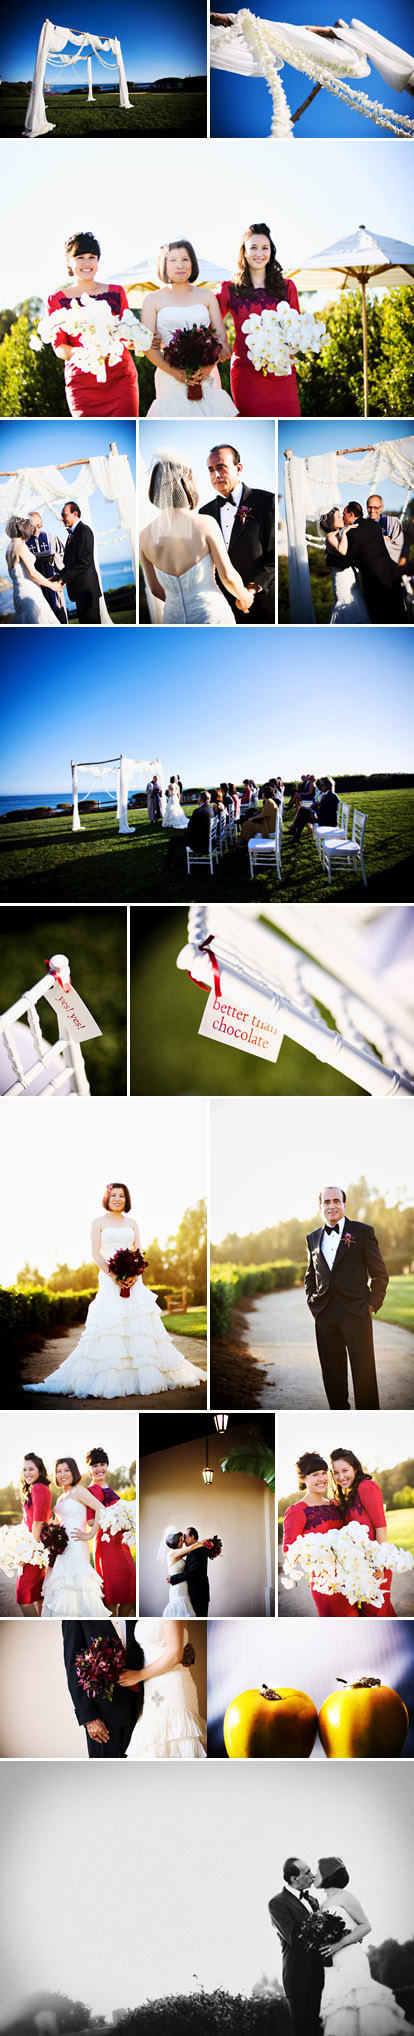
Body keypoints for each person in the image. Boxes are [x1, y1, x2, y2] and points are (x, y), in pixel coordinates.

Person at [24, 1183, 205, 1400]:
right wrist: (113, 1275)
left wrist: (134, 1275)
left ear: (127, 1200)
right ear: (107, 1198)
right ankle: (112, 1376)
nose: (117, 1199)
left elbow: (138, 1251)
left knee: (138, 1323)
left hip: (134, 1279)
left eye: (122, 1195)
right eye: (114, 1195)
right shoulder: (98, 1223)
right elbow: (94, 1252)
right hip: (109, 1278)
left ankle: (143, 1372)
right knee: (112, 1321)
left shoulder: (133, 1223)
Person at [304, 1183, 389, 1409]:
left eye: (336, 1201)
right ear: (320, 1206)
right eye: (326, 1202)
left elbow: (380, 1274)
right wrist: (314, 1306)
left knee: (364, 1376)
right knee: (332, 1376)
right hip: (325, 1316)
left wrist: (371, 1304)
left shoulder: (362, 1232)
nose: (331, 1206)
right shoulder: (312, 1238)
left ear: (344, 1204)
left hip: (357, 1314)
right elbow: (310, 1276)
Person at [140, 453, 250, 623]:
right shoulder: (204, 523)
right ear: (187, 485)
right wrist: (245, 598)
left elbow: (155, 589)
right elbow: (227, 576)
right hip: (211, 615)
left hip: (172, 619)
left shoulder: (145, 535)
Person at [314, 1856, 414, 2035]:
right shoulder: (322, 1905)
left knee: (361, 2003)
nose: (314, 1875)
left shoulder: (345, 1896)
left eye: (317, 1871)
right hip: (332, 1964)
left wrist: (341, 1943)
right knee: (340, 2006)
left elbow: (366, 1926)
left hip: (350, 1957)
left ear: (327, 1874)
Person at [47, 230, 139, 417]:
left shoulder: (117, 292)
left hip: (120, 377)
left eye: (92, 257)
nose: (87, 263)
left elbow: (126, 333)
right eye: (80, 257)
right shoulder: (56, 299)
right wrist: (83, 353)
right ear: (68, 261)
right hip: (82, 383)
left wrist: (139, 341)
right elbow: (60, 347)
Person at [141, 239, 237, 417]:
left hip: (207, 374)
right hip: (168, 375)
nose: (180, 265)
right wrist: (175, 373)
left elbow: (221, 338)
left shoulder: (207, 296)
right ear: (163, 264)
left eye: (185, 259)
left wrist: (207, 369)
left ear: (192, 263)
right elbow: (146, 345)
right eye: (173, 260)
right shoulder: (152, 300)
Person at [217, 222, 301, 417]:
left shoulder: (287, 287)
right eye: (253, 247)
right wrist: (220, 343)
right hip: (246, 375)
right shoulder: (229, 289)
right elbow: (210, 322)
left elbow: (296, 329)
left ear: (271, 251)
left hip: (283, 372)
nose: (259, 253)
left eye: (265, 248)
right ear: (244, 252)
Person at [199, 442, 275, 622]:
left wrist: (249, 592)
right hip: (221, 607)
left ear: (238, 468)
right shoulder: (204, 513)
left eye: (221, 467)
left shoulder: (266, 501)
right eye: (210, 470)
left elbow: (272, 557)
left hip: (261, 601)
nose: (215, 475)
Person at [282, 1450, 357, 1618]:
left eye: (324, 1473)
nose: (322, 1478)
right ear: (303, 1478)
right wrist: (318, 1556)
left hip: (351, 1578)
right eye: (315, 1474)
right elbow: (289, 1551)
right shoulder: (297, 1510)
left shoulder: (334, 1504)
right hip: (326, 1583)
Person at [120, 1618, 207, 1758]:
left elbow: (175, 1654)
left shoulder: (169, 1612)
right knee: (152, 1746)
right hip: (151, 1687)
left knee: (176, 1742)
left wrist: (138, 1675)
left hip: (172, 1685)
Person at [63, 1618, 144, 1757]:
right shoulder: (77, 1619)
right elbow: (73, 1669)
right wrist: (89, 1718)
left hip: (141, 1711)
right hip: (104, 1719)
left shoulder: (135, 1616)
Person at [329, 1447, 395, 1618]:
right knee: (368, 1613)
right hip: (359, 1569)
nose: (341, 1477)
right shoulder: (347, 1496)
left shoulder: (367, 1486)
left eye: (345, 1470)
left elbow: (380, 1527)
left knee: (378, 1614)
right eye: (336, 1473)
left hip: (376, 1566)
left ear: (355, 1468)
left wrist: (379, 1564)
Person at [41, 1458, 109, 1617]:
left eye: (66, 1470)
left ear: (74, 1472)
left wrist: (90, 1534)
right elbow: (57, 1524)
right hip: (61, 1548)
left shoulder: (79, 1491)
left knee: (77, 1583)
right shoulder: (60, 1498)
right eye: (58, 1471)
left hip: (77, 1544)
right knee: (62, 1584)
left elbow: (100, 1508)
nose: (62, 1474)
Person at [269, 1856, 326, 2036]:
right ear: (293, 1879)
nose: (313, 1875)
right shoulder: (277, 1903)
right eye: (307, 1872)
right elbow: (294, 1938)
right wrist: (325, 1933)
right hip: (300, 1980)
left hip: (323, 1976)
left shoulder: (314, 1901)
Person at [333, 502, 406, 622]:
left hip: (374, 581)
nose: (343, 517)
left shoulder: (352, 533)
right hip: (391, 574)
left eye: (344, 514)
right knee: (398, 614)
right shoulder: (374, 524)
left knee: (379, 616)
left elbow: (346, 561)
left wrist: (329, 559)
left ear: (351, 514)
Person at [85, 1447, 136, 1616]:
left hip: (121, 1543)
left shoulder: (107, 1487)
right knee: (112, 1593)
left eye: (102, 1464)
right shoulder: (92, 1491)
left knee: (130, 1587)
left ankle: (122, 1619)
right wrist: (117, 1521)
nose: (99, 1469)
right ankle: (114, 1623)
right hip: (107, 1545)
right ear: (89, 1469)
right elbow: (91, 1520)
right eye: (95, 1465)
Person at [5, 516, 62, 625]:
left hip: (19, 594)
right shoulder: (21, 547)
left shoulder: (9, 548)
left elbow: (22, 574)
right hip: (30, 593)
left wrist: (47, 580)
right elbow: (32, 573)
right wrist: (53, 586)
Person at [15, 1453, 52, 1617]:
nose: (27, 1473)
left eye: (31, 1469)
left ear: (40, 1471)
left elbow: (38, 1522)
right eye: (24, 1469)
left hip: (34, 1551)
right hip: (37, 1548)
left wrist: (29, 1553)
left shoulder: (38, 1488)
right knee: (38, 1594)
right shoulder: (38, 1489)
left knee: (23, 1595)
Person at [320, 507, 370, 624]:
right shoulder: (331, 537)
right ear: (331, 521)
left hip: (350, 575)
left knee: (357, 602)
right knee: (346, 606)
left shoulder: (338, 536)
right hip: (342, 579)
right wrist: (346, 532)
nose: (342, 518)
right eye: (338, 517)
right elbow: (342, 551)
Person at [59, 502, 101, 624]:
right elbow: (72, 562)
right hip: (79, 591)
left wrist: (63, 579)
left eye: (64, 515)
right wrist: (59, 575)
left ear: (75, 514)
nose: (62, 518)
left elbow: (84, 561)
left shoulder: (84, 531)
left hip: (87, 591)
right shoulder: (73, 533)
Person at [25, 510, 68, 623]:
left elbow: (64, 556)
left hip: (54, 579)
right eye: (33, 526)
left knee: (59, 612)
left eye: (39, 526)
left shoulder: (51, 537)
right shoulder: (24, 543)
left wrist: (53, 559)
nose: (36, 530)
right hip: (36, 584)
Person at [164, 789, 215, 873]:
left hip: (200, 844)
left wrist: (185, 837)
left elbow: (190, 830)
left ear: (200, 799)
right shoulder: (211, 809)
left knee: (173, 840)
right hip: (208, 840)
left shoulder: (198, 811)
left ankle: (167, 866)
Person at [290, 776, 339, 846]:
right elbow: (323, 807)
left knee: (302, 812)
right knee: (302, 812)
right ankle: (296, 836)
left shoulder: (331, 796)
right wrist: (314, 810)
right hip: (323, 817)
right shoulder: (327, 794)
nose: (320, 787)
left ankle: (295, 833)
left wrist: (315, 815)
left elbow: (327, 811)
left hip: (327, 821)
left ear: (326, 786)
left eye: (322, 785)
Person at [366, 494, 405, 564]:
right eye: (369, 507)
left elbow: (399, 545)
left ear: (381, 508)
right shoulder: (363, 525)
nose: (372, 510)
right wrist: (382, 539)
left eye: (375, 507)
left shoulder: (393, 522)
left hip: (390, 566)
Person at [237, 782, 278, 847]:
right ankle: (242, 841)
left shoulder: (269, 802)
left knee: (246, 824)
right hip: (269, 824)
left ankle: (250, 845)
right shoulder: (270, 801)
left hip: (268, 827)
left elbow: (262, 815)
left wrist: (252, 818)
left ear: (264, 794)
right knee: (246, 823)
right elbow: (264, 813)